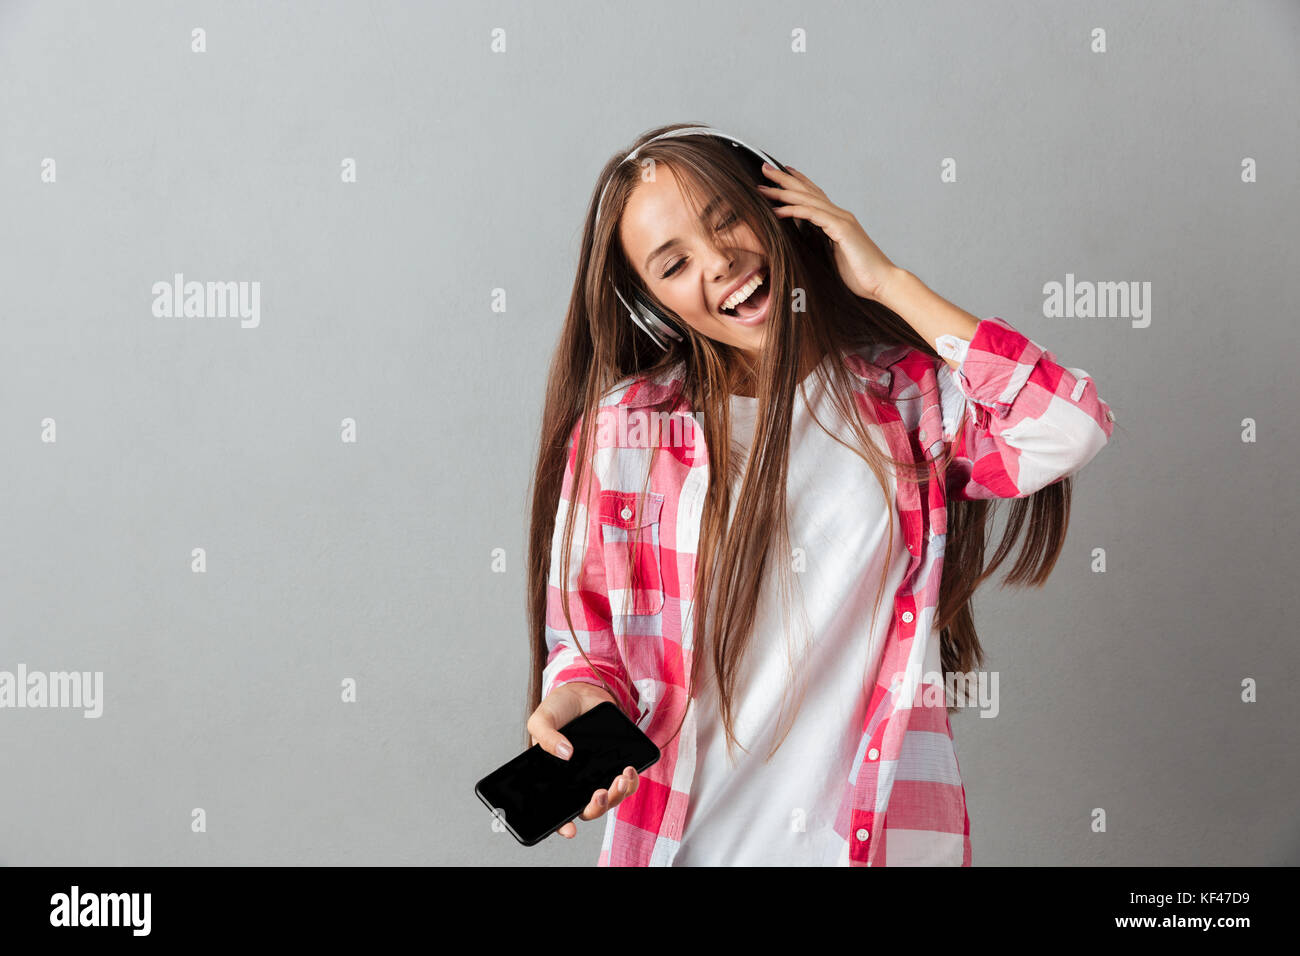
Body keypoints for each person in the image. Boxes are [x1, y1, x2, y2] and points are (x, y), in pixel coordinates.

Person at [523, 123, 1117, 866]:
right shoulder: (623, 433)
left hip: (883, 846)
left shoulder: (907, 403)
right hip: (692, 844)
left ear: (780, 203)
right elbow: (585, 643)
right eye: (674, 264)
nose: (721, 263)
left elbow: (1070, 426)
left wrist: (888, 282)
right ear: (652, 301)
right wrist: (581, 695)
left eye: (728, 219)